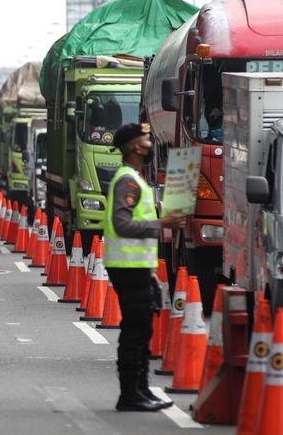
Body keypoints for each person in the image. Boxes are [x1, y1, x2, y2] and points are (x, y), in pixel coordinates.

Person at [104, 123, 186, 411]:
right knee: (135, 330)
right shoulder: (127, 181)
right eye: (147, 139)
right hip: (127, 267)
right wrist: (162, 224)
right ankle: (129, 395)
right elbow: (121, 223)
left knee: (143, 329)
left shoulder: (135, 179)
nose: (151, 143)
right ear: (135, 147)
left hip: (137, 266)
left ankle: (141, 390)